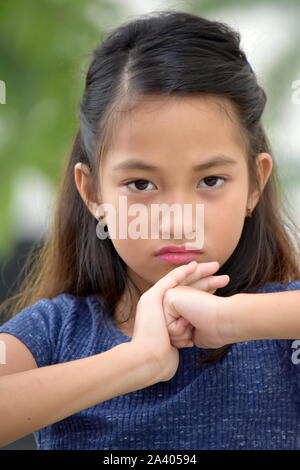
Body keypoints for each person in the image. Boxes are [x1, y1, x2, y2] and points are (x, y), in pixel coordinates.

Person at [0, 9, 300, 450]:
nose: (178, 219)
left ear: (255, 183)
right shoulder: (55, 331)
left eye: (210, 181)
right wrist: (137, 361)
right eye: (141, 184)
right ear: (93, 193)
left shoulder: (282, 332)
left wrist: (231, 319)